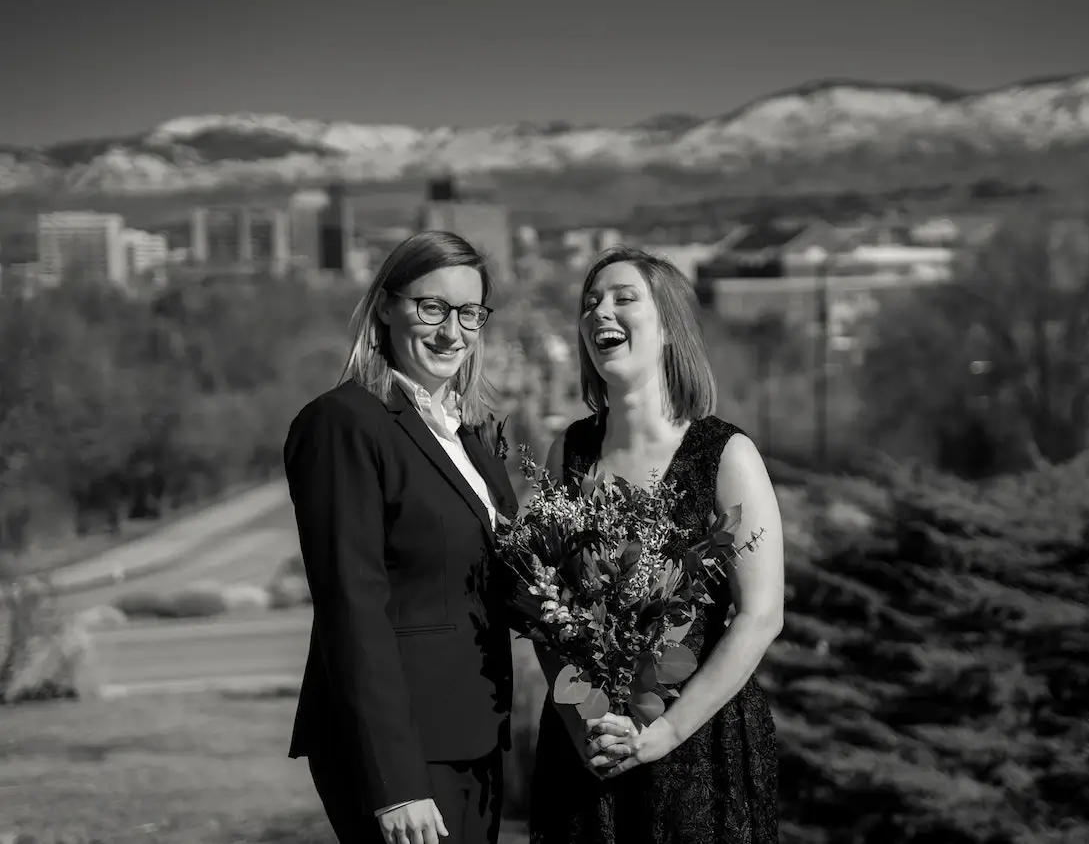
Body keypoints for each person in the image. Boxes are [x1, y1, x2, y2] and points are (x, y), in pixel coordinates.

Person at [528, 247, 784, 843]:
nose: (599, 313)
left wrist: (662, 733)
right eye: (589, 303)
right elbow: (542, 611)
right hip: (587, 751)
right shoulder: (568, 454)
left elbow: (760, 615)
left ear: (668, 327)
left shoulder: (727, 455)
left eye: (622, 298)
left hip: (700, 750)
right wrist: (584, 723)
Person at [283, 231, 519, 844]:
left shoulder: (468, 435)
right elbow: (351, 606)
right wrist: (396, 782)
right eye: (431, 307)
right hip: (404, 751)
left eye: (469, 313)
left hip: (472, 735)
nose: (451, 332)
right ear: (386, 306)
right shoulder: (345, 423)